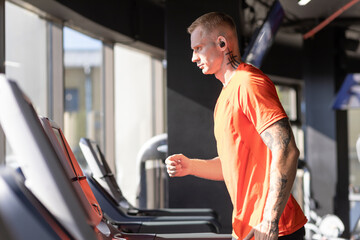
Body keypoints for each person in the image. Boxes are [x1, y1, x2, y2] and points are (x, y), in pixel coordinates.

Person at [165, 12, 307, 240]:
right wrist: (190, 166)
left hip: (273, 229)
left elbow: (287, 150)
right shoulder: (225, 95)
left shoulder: (248, 84)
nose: (193, 57)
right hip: (248, 228)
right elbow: (231, 165)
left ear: (222, 43)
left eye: (198, 48)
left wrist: (270, 220)